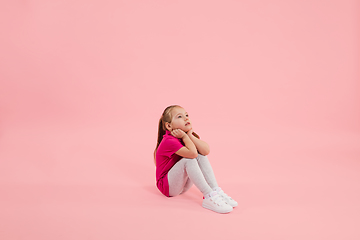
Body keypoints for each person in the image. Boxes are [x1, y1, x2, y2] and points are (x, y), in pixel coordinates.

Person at [154, 105, 238, 214]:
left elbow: (205, 151)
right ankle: (208, 195)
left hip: (181, 186)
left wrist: (189, 135)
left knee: (200, 154)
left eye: (187, 115)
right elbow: (192, 154)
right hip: (167, 187)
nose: (186, 118)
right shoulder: (169, 140)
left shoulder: (185, 135)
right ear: (169, 126)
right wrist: (185, 137)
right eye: (179, 117)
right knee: (189, 159)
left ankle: (215, 190)